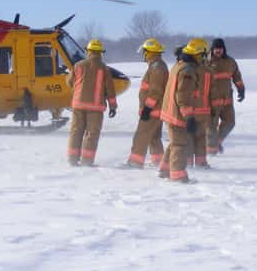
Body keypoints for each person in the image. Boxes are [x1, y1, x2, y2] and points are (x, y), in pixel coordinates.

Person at [65, 39, 117, 167]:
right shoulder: (104, 69)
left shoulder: (78, 65)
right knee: (91, 134)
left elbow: (69, 82)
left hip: (78, 105)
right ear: (100, 53)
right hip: (95, 107)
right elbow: (110, 90)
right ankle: (87, 161)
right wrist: (113, 106)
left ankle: (72, 159)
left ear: (88, 51)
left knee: (76, 131)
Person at [158, 39, 201, 183]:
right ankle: (178, 176)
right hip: (178, 115)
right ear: (197, 54)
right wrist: (189, 117)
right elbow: (182, 96)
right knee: (179, 144)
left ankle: (164, 170)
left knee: (174, 142)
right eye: (203, 54)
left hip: (170, 112)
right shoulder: (188, 70)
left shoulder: (179, 65)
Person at [126, 38, 169, 168]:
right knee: (154, 137)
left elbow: (155, 91)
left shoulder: (157, 67)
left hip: (152, 110)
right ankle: (159, 161)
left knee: (141, 136)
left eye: (145, 52)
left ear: (150, 52)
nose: (143, 55)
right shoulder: (157, 65)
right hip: (156, 109)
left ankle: (135, 162)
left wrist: (147, 108)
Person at [207, 38, 245, 155]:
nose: (218, 51)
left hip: (227, 100)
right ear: (212, 49)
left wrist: (241, 89)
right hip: (211, 102)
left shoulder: (230, 62)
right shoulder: (206, 62)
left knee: (230, 122)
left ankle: (216, 143)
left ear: (224, 49)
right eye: (216, 48)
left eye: (220, 48)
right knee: (211, 128)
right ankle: (210, 153)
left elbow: (237, 77)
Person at [187, 38, 219, 168]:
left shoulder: (191, 69)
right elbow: (213, 93)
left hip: (192, 110)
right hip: (204, 111)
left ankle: (188, 163)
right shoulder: (209, 71)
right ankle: (201, 163)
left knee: (188, 137)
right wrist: (213, 110)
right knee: (200, 138)